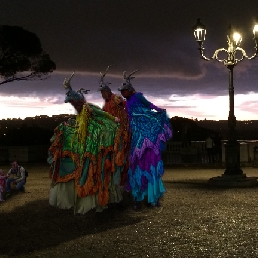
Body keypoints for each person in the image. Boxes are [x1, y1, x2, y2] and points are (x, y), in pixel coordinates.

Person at [48, 72, 122, 214]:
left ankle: (91, 193)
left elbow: (102, 114)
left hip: (92, 136)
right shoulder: (79, 113)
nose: (73, 105)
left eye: (74, 103)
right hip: (81, 136)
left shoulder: (89, 107)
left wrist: (114, 120)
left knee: (90, 162)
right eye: (71, 103)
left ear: (79, 101)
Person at [118, 70, 172, 209]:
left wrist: (159, 110)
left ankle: (153, 198)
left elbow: (149, 105)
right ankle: (138, 198)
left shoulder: (138, 96)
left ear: (129, 90)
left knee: (150, 163)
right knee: (136, 164)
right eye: (121, 91)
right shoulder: (126, 103)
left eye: (124, 91)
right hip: (136, 135)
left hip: (146, 132)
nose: (122, 93)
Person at [98, 66, 130, 198]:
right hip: (109, 132)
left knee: (121, 157)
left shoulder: (116, 99)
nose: (101, 95)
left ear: (107, 91)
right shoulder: (105, 104)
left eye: (103, 92)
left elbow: (125, 107)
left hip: (121, 132)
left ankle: (121, 182)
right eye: (100, 93)